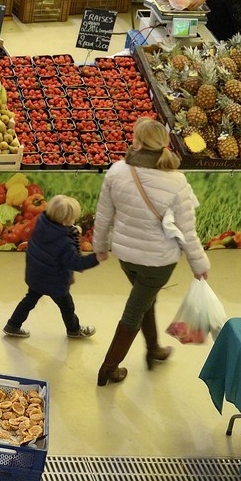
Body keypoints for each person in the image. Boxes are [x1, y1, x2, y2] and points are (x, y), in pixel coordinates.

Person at [92, 118, 209, 387]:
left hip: (127, 258)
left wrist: (100, 246)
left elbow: (104, 215)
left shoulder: (117, 171)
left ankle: (153, 348)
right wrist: (198, 263)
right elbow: (187, 231)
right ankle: (108, 369)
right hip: (158, 262)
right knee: (135, 310)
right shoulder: (177, 181)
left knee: (145, 300)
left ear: (137, 142)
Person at [2, 194, 100, 340]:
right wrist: (97, 258)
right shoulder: (65, 243)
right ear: (66, 221)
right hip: (54, 281)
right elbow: (76, 263)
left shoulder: (42, 224)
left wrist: (72, 231)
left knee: (29, 301)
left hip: (36, 275)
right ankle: (74, 329)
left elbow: (55, 239)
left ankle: (12, 325)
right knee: (67, 306)